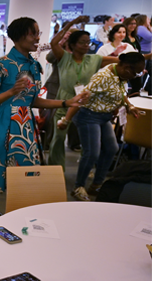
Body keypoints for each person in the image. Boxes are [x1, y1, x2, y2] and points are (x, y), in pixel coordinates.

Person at [0, 17, 88, 233]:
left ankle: (21, 223)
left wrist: (66, 102)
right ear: (20, 36)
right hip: (0, 124)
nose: (38, 37)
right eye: (33, 33)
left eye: (38, 33)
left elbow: (34, 101)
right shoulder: (1, 65)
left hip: (24, 126)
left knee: (25, 177)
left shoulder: (33, 64)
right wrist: (11, 92)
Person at [58, 52, 145, 200]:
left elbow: (121, 92)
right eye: (135, 73)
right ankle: (78, 187)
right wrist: (66, 120)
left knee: (112, 148)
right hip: (88, 115)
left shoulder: (120, 74)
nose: (135, 76)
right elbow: (81, 99)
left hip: (103, 116)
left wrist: (129, 106)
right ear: (126, 67)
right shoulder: (102, 77)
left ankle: (96, 185)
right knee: (92, 153)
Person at [48, 15, 123, 169]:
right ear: (73, 44)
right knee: (58, 139)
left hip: (85, 107)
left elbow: (119, 60)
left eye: (88, 42)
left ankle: (85, 171)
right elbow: (53, 43)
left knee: (88, 142)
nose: (86, 45)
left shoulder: (94, 59)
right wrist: (72, 23)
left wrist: (143, 57)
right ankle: (55, 170)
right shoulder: (64, 58)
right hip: (64, 102)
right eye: (82, 42)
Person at [137, 15, 152, 93]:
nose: (149, 20)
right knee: (142, 70)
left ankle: (142, 86)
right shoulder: (141, 28)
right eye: (148, 19)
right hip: (143, 52)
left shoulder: (145, 28)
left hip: (147, 51)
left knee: (146, 70)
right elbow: (150, 37)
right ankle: (139, 87)